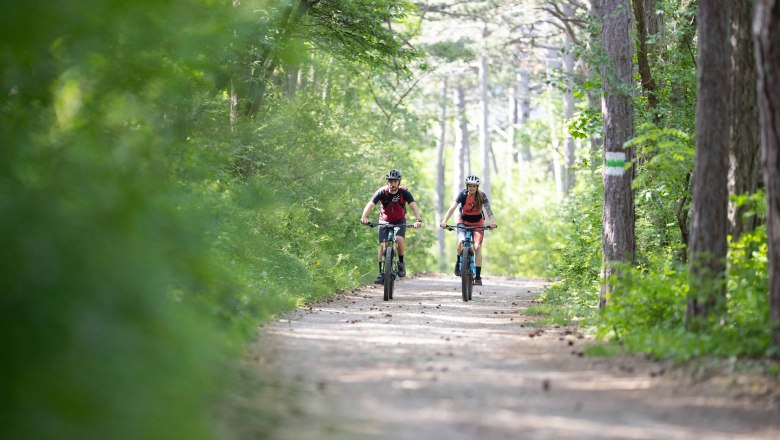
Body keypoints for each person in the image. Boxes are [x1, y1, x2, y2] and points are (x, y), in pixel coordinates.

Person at [360, 169, 423, 284]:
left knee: (399, 239)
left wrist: (418, 220)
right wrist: (364, 216)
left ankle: (401, 262)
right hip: (384, 221)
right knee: (381, 245)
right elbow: (371, 204)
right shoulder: (381, 192)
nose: (392, 184)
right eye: (390, 181)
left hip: (399, 221)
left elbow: (413, 206)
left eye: (395, 181)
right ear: (387, 182)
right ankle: (381, 273)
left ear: (399, 182)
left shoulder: (404, 192)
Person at [439, 175, 497, 285]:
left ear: (477, 187)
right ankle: (458, 261)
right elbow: (452, 208)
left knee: (477, 247)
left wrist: (493, 222)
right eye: (470, 186)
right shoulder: (463, 194)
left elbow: (489, 210)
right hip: (463, 222)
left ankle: (478, 277)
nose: (471, 188)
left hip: (478, 224)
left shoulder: (482, 196)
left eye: (474, 186)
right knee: (461, 241)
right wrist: (444, 221)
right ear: (467, 186)